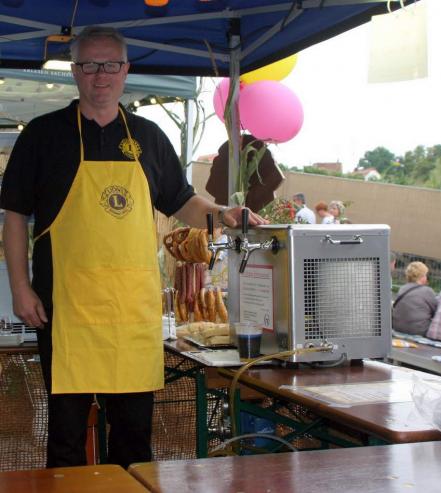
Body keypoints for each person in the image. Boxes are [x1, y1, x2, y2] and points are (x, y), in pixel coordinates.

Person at [0, 26, 266, 470]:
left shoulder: (149, 136)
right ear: (75, 71)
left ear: (125, 71)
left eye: (109, 65)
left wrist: (224, 214)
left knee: (134, 438)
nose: (99, 76)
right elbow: (12, 217)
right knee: (66, 439)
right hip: (66, 311)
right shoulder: (43, 135)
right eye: (88, 65)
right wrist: (20, 289)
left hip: (131, 314)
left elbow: (183, 202)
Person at [392, 261, 437, 336]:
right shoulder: (427, 291)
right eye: (425, 275)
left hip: (397, 327)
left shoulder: (402, 288)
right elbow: (435, 312)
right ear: (422, 277)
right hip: (418, 330)